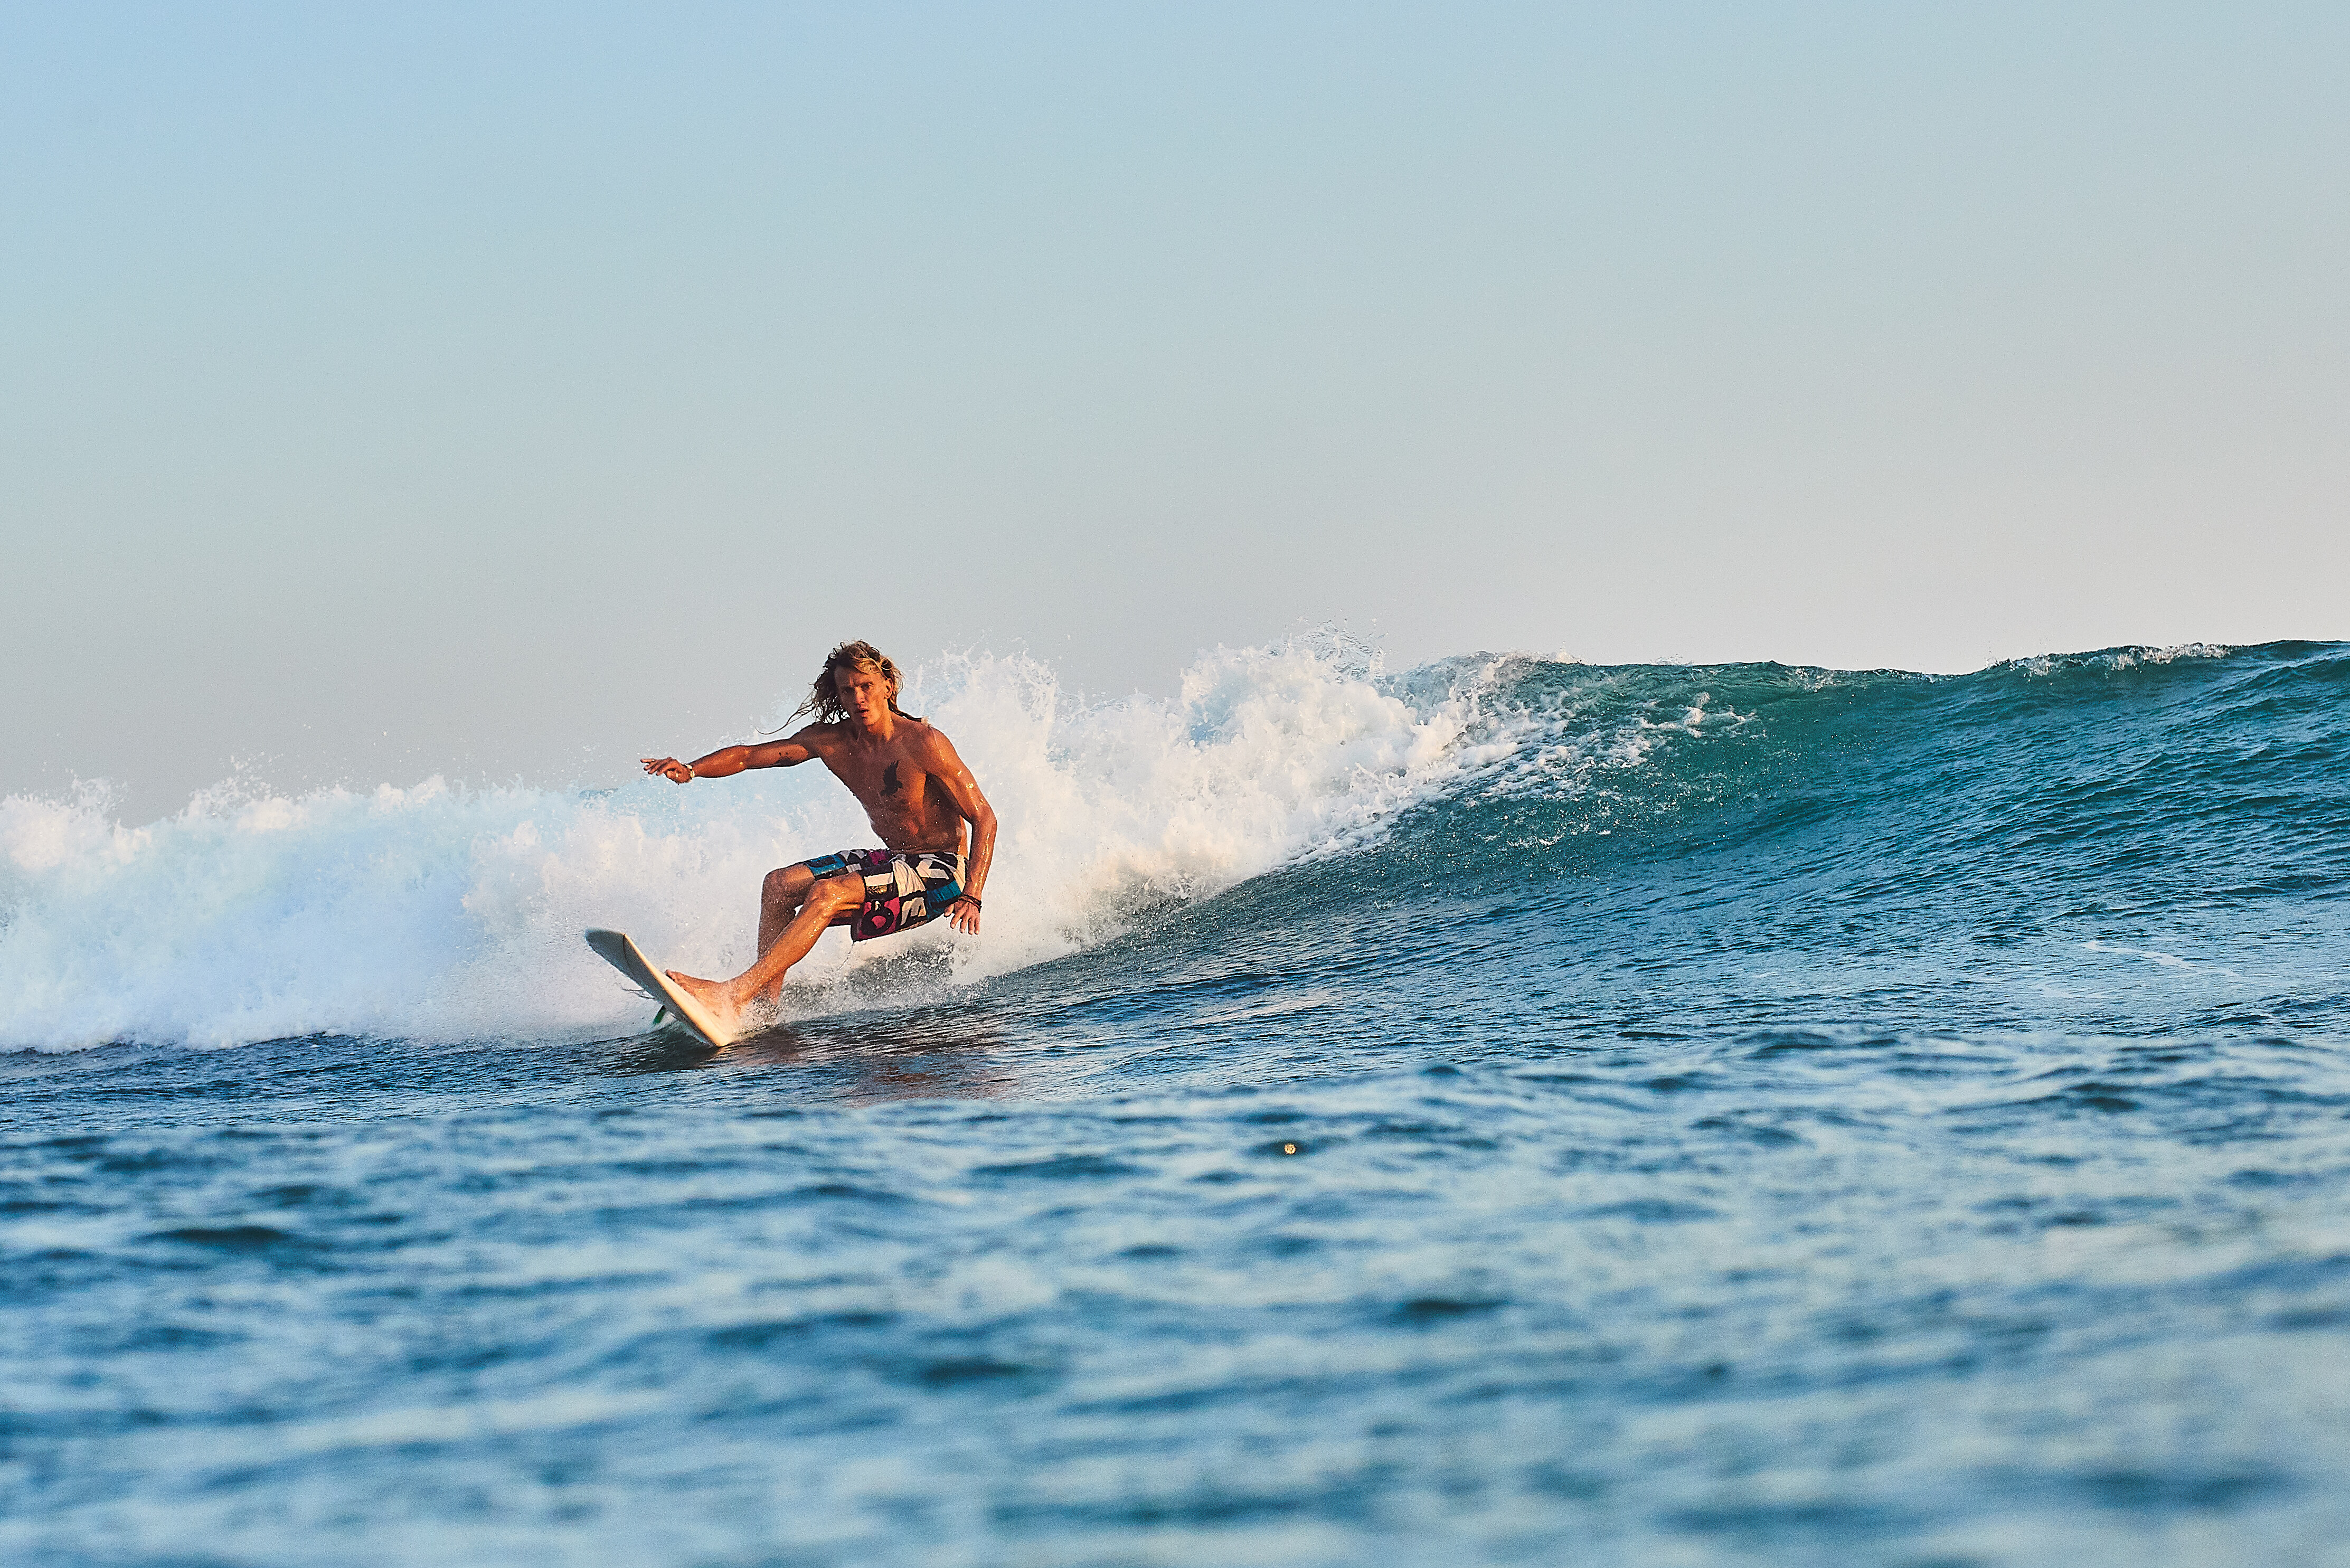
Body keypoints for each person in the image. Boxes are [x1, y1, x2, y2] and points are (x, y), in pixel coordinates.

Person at [639, 640, 997, 1038]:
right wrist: (692, 769)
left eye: (865, 686)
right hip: (896, 860)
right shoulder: (832, 742)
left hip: (943, 874)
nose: (858, 698)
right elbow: (748, 756)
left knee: (827, 893)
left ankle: (734, 993)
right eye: (847, 690)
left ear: (887, 687)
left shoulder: (924, 743)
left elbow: (984, 818)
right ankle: (761, 1010)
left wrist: (973, 894)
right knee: (778, 885)